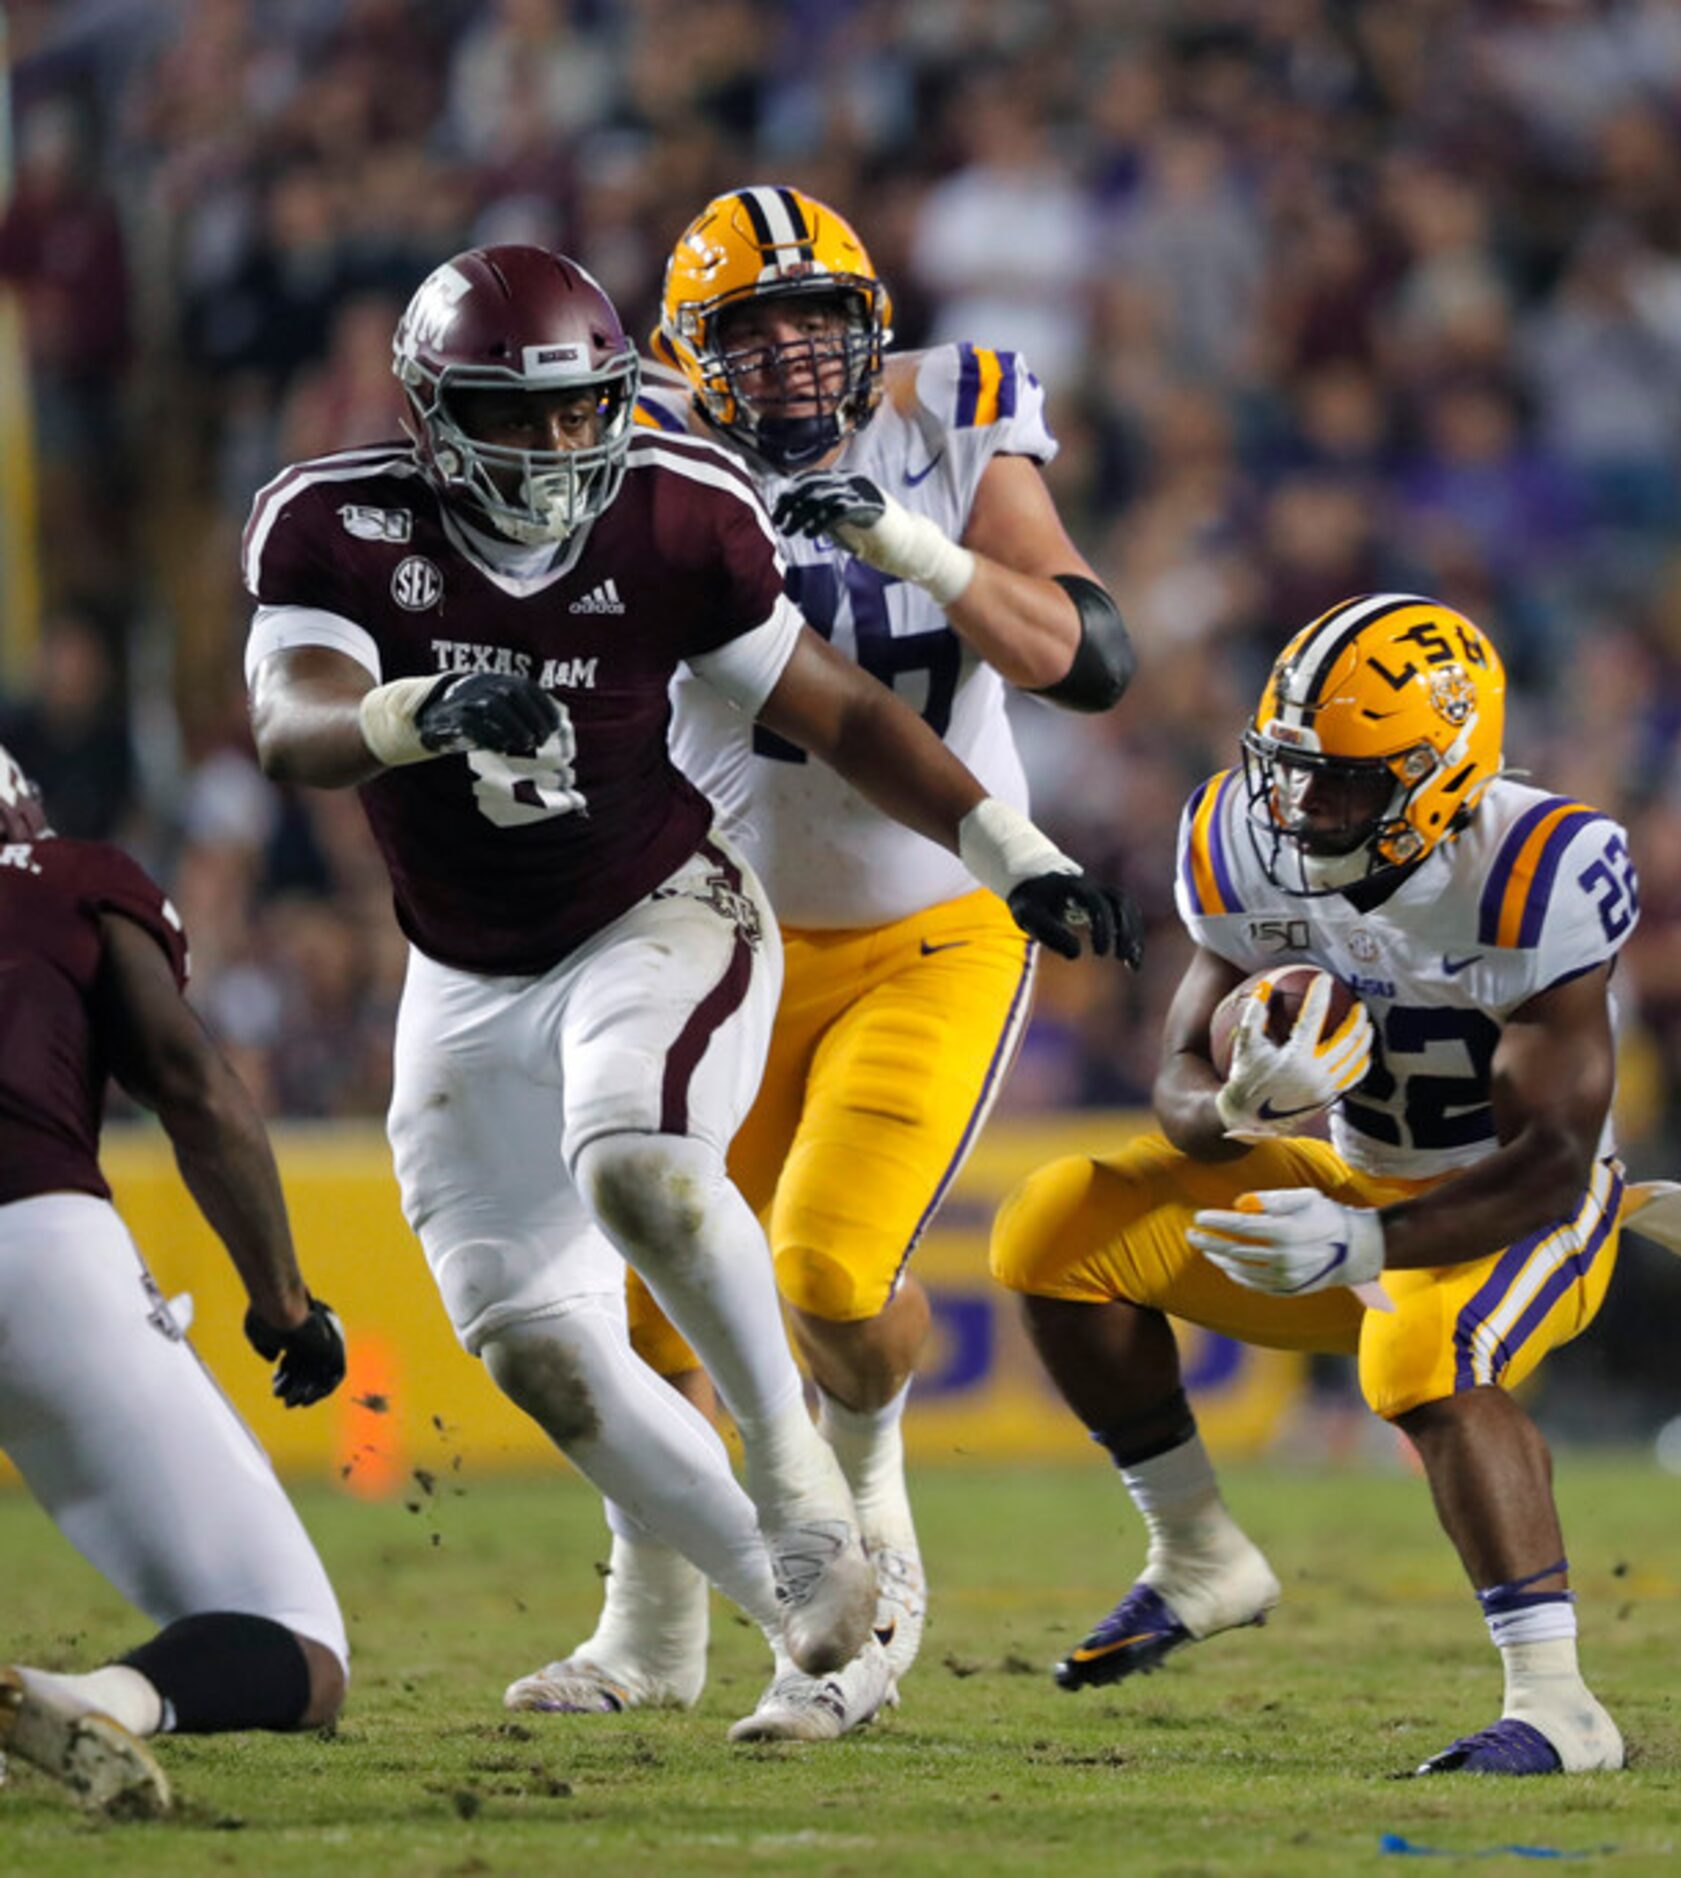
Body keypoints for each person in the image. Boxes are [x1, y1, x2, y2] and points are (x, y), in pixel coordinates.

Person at [241, 244, 1140, 1737]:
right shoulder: (334, 519)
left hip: (662, 908)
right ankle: (745, 1597)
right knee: (534, 1334)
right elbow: (290, 718)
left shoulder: (673, 506)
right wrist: (418, 709)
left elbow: (842, 706)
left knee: (645, 1168)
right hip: (461, 969)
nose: (553, 447)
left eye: (580, 411)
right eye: (510, 417)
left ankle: (801, 1494)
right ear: (427, 410)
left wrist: (1008, 840)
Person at [497, 183, 1135, 1741]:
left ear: (869, 325)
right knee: (649, 1303)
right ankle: (649, 1631)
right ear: (682, 355)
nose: (790, 360)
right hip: (722, 923)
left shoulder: (963, 409)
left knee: (832, 1275)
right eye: (752, 331)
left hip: (935, 922)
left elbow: (1087, 655)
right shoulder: (628, 439)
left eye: (817, 324)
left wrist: (915, 543)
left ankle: (876, 1545)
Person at [989, 594, 1681, 1775]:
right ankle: (1196, 1555)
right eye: (1290, 772)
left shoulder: (1533, 870)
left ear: (1443, 775)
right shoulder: (1240, 838)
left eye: (1344, 781)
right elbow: (1178, 1072)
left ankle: (1558, 1707)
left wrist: (1362, 1250)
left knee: (1417, 1355)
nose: (1302, 808)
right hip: (1344, 1175)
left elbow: (1549, 1159)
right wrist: (1231, 1112)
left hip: (1517, 1206)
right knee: (1053, 1228)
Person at [0, 746, 350, 1818]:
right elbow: (191, 1088)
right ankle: (93, 1698)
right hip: (31, 1245)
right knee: (295, 1641)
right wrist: (285, 1303)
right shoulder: (64, 880)